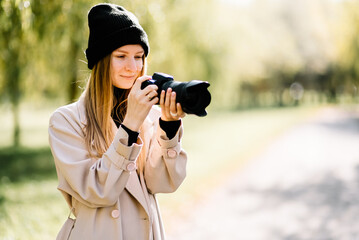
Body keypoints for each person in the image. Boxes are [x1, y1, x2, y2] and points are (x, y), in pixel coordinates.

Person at [48, 3, 187, 240]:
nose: (132, 68)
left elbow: (161, 183)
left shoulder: (151, 115)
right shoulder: (66, 121)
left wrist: (169, 127)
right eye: (121, 56)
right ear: (101, 61)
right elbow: (97, 191)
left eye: (139, 57)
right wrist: (130, 126)